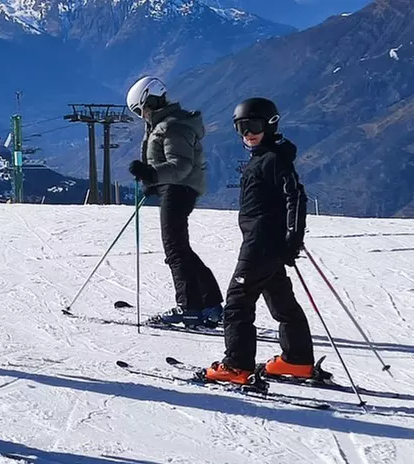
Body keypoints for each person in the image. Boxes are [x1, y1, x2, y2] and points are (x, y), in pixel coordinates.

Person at [204, 97, 314, 385]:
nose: (248, 133)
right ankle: (297, 359)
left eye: (253, 125)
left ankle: (237, 366)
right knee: (281, 301)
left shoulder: (273, 160)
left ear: (270, 124)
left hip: (261, 244)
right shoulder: (267, 156)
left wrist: (294, 236)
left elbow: (296, 197)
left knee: (238, 302)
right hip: (269, 243)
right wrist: (288, 240)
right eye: (241, 127)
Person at [125, 75, 223, 328]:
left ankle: (189, 308)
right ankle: (209, 304)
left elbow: (181, 165)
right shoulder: (168, 124)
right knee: (180, 249)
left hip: (179, 189)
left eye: (139, 110)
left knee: (175, 250)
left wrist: (153, 175)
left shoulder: (173, 126)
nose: (141, 115)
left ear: (148, 101)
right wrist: (154, 182)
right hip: (177, 188)